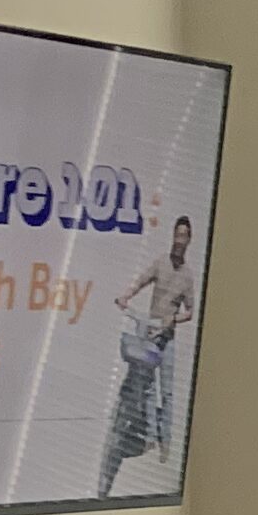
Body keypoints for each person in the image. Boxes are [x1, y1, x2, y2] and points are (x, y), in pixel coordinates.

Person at [93, 211, 199, 496]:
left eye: (184, 236)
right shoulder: (161, 263)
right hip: (149, 332)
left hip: (167, 337)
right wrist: (126, 296)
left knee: (167, 391)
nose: (179, 240)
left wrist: (173, 319)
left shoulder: (187, 276)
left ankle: (165, 442)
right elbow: (141, 280)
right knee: (145, 385)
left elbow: (191, 311)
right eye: (177, 234)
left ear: (189, 240)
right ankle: (148, 434)